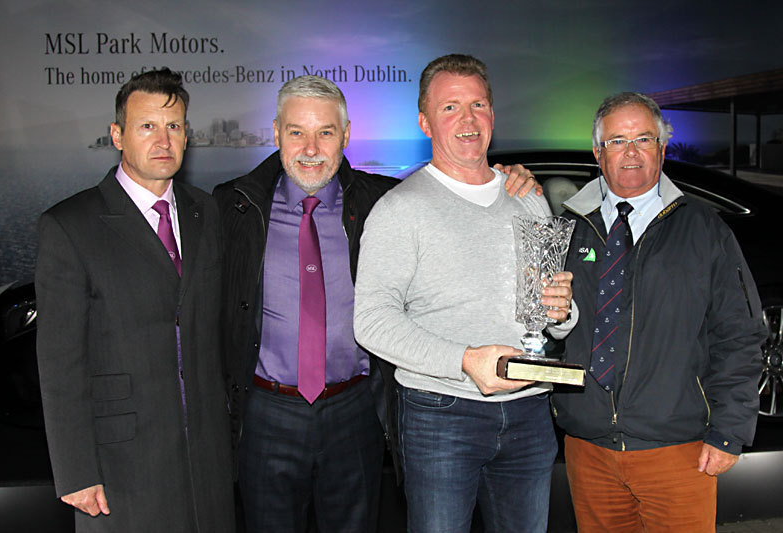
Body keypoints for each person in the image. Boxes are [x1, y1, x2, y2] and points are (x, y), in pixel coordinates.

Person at [212, 74, 540, 532]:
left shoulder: (381, 201)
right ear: (275, 133)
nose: (311, 147)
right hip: (267, 413)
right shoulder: (232, 208)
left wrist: (508, 176)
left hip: (355, 413)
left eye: (326, 132)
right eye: (296, 133)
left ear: (346, 137)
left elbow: (456, 187)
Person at [353, 54, 576, 533]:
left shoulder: (528, 196)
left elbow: (548, 311)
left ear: (493, 114)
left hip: (531, 410)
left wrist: (562, 310)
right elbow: (371, 321)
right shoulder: (400, 209)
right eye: (450, 107)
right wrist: (464, 360)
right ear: (424, 122)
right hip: (441, 416)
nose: (468, 119)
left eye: (478, 104)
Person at [551, 92, 766, 532]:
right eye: (617, 141)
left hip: (678, 451)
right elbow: (544, 327)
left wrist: (729, 431)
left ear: (662, 149)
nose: (630, 152)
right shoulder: (567, 231)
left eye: (643, 139)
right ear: (597, 152)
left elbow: (740, 335)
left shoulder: (704, 230)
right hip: (589, 450)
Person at [35, 68, 235, 532]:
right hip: (120, 465)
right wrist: (76, 471)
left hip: (207, 459)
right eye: (147, 126)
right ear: (117, 135)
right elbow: (60, 361)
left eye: (174, 126)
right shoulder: (70, 225)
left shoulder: (209, 212)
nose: (163, 140)